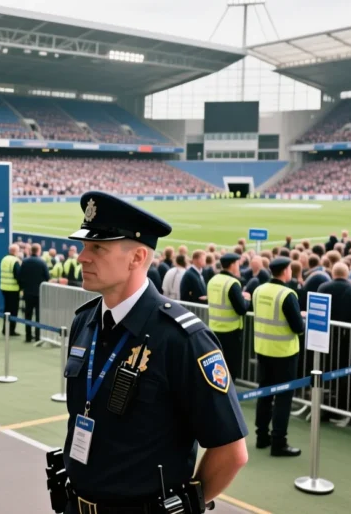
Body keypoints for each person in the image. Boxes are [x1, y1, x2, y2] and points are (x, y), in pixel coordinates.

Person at [55, 191, 248, 511]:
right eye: (85, 246)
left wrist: (185, 506)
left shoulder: (182, 339)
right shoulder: (85, 322)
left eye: (97, 248)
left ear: (137, 257)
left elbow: (231, 452)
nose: (82, 257)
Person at [251, 257, 304, 457]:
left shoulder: (258, 290)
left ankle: (261, 436)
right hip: (284, 353)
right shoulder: (287, 294)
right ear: (286, 271)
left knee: (264, 394)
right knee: (283, 398)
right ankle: (278, 442)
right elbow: (298, 327)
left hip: (263, 349)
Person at [207, 253, 250, 379]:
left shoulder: (213, 280)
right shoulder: (232, 283)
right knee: (230, 368)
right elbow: (241, 309)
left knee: (217, 367)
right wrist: (247, 300)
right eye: (237, 264)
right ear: (232, 265)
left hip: (214, 329)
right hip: (231, 332)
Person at [16, 243, 51, 343]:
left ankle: (28, 336)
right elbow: (47, 277)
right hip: (39, 293)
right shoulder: (42, 262)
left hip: (28, 292)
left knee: (28, 315)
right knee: (38, 316)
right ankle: (37, 336)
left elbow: (20, 276)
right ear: (38, 250)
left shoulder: (25, 262)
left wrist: (23, 287)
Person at [0, 244, 22, 336]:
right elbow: (18, 275)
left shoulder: (4, 259)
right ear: (16, 251)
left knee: (6, 310)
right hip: (13, 289)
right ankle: (11, 330)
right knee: (13, 311)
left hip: (4, 287)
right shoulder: (15, 261)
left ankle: (5, 329)